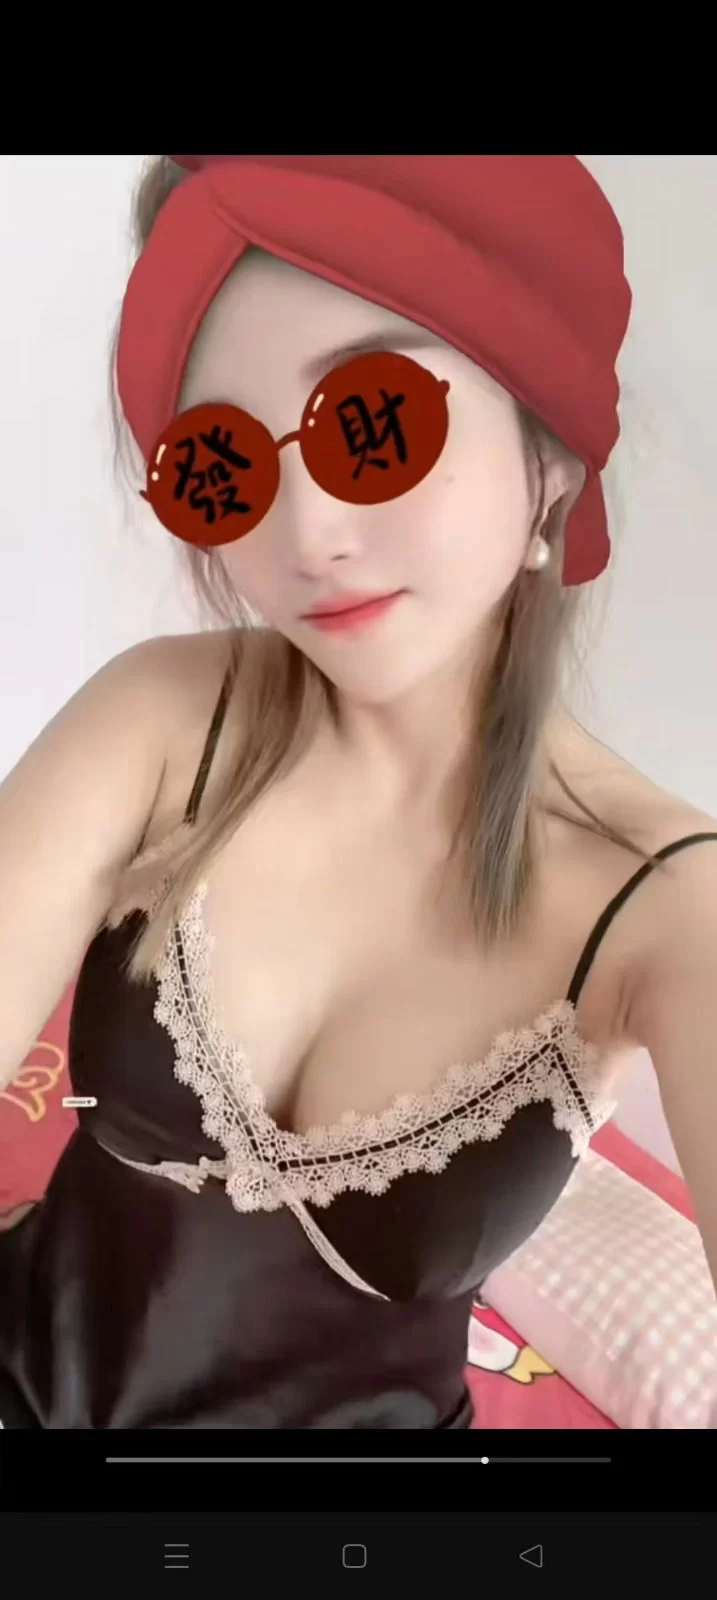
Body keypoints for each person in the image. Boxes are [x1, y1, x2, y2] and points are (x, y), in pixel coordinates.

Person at [0, 155, 715, 1430]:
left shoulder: (669, 907)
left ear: (549, 456)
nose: (307, 531)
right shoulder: (161, 722)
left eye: (374, 422)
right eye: (224, 463)